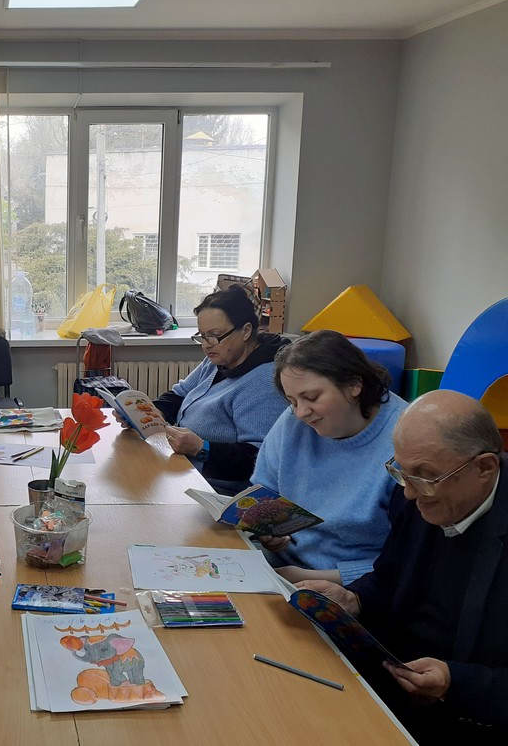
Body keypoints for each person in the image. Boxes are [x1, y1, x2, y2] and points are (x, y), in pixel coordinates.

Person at [298, 390, 507, 744]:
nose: (408, 492)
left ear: (485, 468)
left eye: (424, 476)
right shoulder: (416, 490)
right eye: (401, 471)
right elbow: (390, 575)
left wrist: (456, 681)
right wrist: (354, 598)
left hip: (472, 714)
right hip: (393, 680)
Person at [252, 329, 407, 584]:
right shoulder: (294, 421)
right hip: (283, 563)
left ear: (354, 385)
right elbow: (264, 491)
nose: (301, 412)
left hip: (354, 583)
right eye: (292, 401)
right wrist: (268, 530)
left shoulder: (404, 441)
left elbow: (404, 563)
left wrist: (309, 577)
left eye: (312, 397)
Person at [125, 284, 290, 493]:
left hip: (218, 487)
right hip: (186, 467)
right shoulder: (219, 359)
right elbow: (179, 394)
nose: (207, 344)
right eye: (202, 336)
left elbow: (258, 460)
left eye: (215, 335)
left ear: (246, 331)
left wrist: (201, 448)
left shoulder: (265, 382)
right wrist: (148, 413)